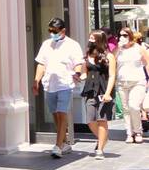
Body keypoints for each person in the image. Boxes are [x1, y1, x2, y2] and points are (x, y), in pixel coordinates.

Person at [34, 16, 84, 158]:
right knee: (55, 114)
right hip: (49, 84)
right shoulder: (46, 44)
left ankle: (58, 145)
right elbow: (41, 63)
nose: (52, 33)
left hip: (64, 84)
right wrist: (36, 80)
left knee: (62, 113)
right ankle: (64, 141)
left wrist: (77, 73)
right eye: (50, 30)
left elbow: (78, 62)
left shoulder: (72, 45)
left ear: (63, 31)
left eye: (55, 31)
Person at [79, 30, 116, 158]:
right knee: (90, 120)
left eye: (93, 38)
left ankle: (99, 149)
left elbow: (112, 76)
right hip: (90, 90)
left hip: (104, 90)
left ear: (100, 40)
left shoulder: (109, 56)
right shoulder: (87, 55)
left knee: (102, 119)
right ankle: (103, 137)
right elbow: (84, 72)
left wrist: (108, 93)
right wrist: (79, 76)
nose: (90, 40)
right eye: (90, 37)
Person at [115, 28, 149, 144]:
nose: (122, 37)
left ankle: (138, 131)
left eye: (125, 35)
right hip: (122, 82)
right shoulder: (118, 49)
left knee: (134, 106)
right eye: (120, 35)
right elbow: (112, 61)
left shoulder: (139, 48)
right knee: (126, 109)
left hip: (138, 81)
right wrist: (118, 48)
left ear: (130, 36)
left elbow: (147, 64)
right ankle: (129, 133)